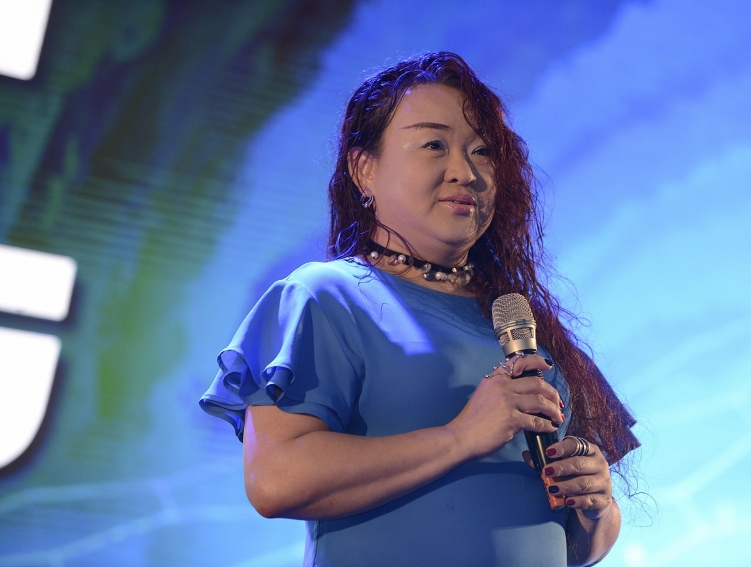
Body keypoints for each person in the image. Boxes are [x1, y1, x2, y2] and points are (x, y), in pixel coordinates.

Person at [200, 51, 639, 567]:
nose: (465, 172)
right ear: (364, 170)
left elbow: (579, 547)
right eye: (434, 145)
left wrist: (596, 507)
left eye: (483, 152)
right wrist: (461, 437)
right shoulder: (326, 295)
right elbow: (276, 479)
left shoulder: (523, 321)